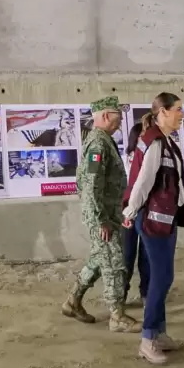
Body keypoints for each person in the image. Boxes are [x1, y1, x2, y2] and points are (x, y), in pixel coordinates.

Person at [62, 96, 141, 334]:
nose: (119, 123)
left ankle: (72, 302)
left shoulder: (103, 140)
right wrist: (101, 220)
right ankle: (117, 317)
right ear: (106, 116)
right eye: (117, 118)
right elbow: (91, 184)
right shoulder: (98, 144)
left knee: (99, 259)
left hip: (108, 213)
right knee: (115, 264)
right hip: (102, 216)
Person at [122, 92, 184, 365]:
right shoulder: (156, 141)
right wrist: (129, 210)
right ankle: (148, 339)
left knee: (164, 276)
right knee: (161, 278)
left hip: (166, 218)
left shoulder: (165, 140)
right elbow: (142, 180)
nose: (182, 115)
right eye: (178, 110)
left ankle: (159, 334)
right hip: (153, 219)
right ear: (163, 112)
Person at [122, 122, 149, 308]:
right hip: (127, 212)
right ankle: (120, 294)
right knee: (126, 255)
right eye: (142, 135)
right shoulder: (126, 159)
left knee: (147, 256)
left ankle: (146, 293)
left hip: (146, 211)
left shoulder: (151, 157)